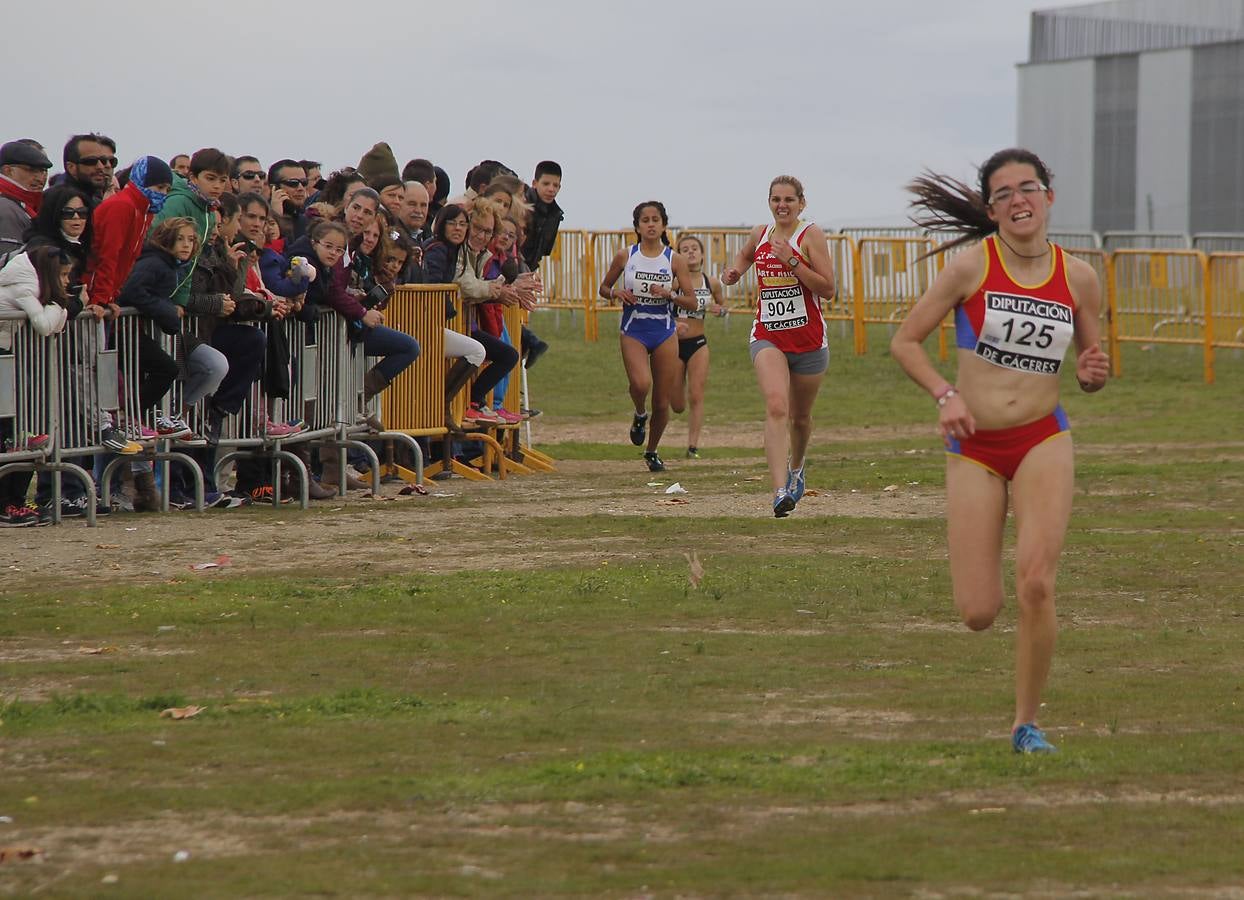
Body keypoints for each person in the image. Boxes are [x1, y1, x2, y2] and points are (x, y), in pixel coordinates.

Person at [890, 148, 1110, 754]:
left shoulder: (1080, 278)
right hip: (974, 446)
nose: (1019, 199)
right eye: (1005, 192)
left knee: (1037, 582)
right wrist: (945, 395)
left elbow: (1091, 372)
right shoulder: (970, 268)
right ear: (992, 209)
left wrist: (1093, 371)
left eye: (1029, 188)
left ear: (1049, 198)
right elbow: (905, 342)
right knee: (979, 612)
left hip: (1044, 436)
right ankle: (1011, 693)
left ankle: (1026, 724)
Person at [722, 175, 836, 517]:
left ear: (802, 203)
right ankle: (778, 491)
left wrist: (792, 261)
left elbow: (828, 289)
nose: (782, 205)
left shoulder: (810, 235)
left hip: (809, 341)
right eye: (776, 200)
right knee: (775, 406)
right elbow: (744, 256)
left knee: (800, 418)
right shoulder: (760, 233)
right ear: (769, 203)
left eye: (789, 200)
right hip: (768, 335)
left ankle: (797, 468)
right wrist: (736, 272)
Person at [597, 201, 700, 472]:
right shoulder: (625, 256)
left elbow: (692, 302)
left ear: (664, 225)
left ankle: (652, 450)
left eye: (656, 219)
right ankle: (640, 414)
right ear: (637, 226)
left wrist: (670, 294)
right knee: (641, 384)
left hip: (664, 331)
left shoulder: (674, 259)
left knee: (662, 401)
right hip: (634, 329)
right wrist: (616, 293)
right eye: (646, 220)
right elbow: (604, 287)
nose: (651, 224)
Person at [0, 244, 72, 526]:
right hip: (3, 357)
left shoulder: (26, 284)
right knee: (11, 438)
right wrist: (60, 306)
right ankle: (8, 504)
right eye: (63, 276)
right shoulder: (24, 287)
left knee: (20, 439)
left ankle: (14, 501)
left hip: (6, 356)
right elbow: (44, 325)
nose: (66, 282)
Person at [670, 234, 728, 458]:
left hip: (699, 344)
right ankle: (674, 399)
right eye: (685, 249)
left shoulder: (710, 282)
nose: (691, 252)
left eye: (695, 248)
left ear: (703, 254)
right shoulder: (674, 281)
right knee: (677, 405)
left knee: (696, 394)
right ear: (678, 256)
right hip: (674, 345)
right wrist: (674, 324)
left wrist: (719, 310)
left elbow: (723, 307)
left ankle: (692, 446)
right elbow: (662, 308)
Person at [0, 140, 53, 255]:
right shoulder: (5, 208)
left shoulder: (27, 204)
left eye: (44, 171)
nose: (40, 178)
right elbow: (8, 260)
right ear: (8, 170)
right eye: (32, 170)